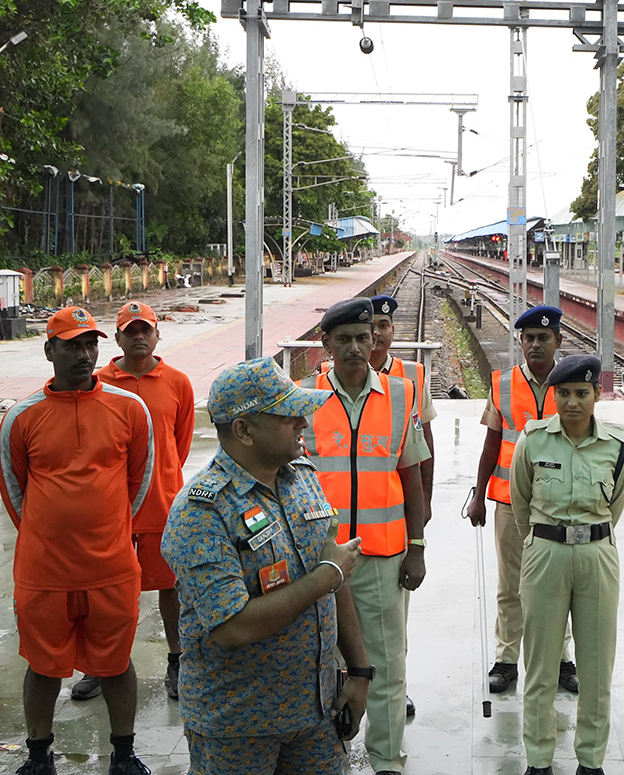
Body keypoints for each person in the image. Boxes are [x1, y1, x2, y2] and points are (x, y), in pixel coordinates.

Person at [161, 357, 371, 775]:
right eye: (288, 415)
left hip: (315, 711)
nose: (303, 424)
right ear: (243, 429)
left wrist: (360, 673)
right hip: (238, 726)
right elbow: (233, 627)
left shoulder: (301, 477)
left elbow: (335, 576)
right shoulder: (202, 512)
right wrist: (325, 576)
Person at [0, 306, 154, 775]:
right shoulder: (22, 417)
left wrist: (107, 528)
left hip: (111, 569)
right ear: (49, 350)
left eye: (90, 344)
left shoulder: (129, 408)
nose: (84, 354)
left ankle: (124, 755)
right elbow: (13, 489)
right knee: (43, 667)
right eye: (71, 345)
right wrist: (53, 532)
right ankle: (38, 755)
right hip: (44, 573)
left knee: (115, 664)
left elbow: (139, 480)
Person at [299, 297, 430, 775]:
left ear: (374, 340)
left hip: (382, 558)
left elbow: (411, 475)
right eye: (344, 340)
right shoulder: (304, 398)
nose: (355, 348)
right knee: (318, 664)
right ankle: (327, 754)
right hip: (319, 561)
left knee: (387, 665)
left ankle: (387, 760)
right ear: (325, 344)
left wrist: (416, 548)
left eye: (363, 338)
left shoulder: (401, 395)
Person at [510, 355, 624, 775]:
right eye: (563, 393)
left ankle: (591, 760)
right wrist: (547, 539)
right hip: (546, 553)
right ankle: (539, 760)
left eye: (582, 393)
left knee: (597, 667)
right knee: (541, 664)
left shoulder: (617, 447)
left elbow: (615, 506)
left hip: (597, 554)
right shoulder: (533, 439)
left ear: (598, 394)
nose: (572, 402)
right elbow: (521, 501)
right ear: (553, 395)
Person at [69, 302, 194, 703]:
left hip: (162, 506)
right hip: (110, 512)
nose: (139, 336)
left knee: (170, 588)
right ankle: (97, 665)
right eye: (130, 331)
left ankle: (178, 661)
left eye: (146, 330)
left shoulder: (177, 382)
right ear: (118, 338)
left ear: (157, 335)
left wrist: (162, 478)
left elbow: (180, 442)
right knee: (103, 592)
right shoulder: (98, 381)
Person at [465, 304, 578, 695]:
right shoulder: (502, 384)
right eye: (528, 338)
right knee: (510, 584)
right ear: (520, 341)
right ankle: (507, 659)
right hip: (510, 503)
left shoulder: (573, 385)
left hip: (560, 502)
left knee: (558, 584)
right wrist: (478, 496)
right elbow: (491, 444)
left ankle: (562, 659)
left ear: (558, 341)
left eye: (543, 338)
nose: (534, 345)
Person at [368, 294, 436, 525]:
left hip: (405, 492)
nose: (377, 332)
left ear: (393, 331)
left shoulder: (413, 375)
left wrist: (426, 499)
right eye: (371, 326)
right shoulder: (331, 374)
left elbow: (426, 441)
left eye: (384, 325)